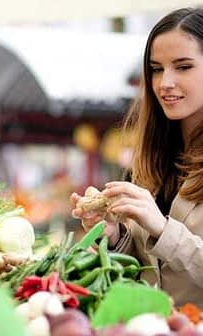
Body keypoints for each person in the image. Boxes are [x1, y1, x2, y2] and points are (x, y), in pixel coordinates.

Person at [71, 7, 203, 309]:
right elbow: (152, 269)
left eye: (183, 67)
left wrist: (163, 229)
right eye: (156, 69)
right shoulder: (154, 159)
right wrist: (115, 237)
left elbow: (170, 241)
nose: (164, 82)